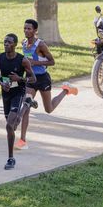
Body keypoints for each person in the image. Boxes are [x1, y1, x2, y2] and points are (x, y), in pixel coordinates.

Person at [14, 19, 78, 150]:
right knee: (26, 105)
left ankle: (66, 90)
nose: (26, 31)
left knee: (49, 109)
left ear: (35, 30)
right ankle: (22, 140)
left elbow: (52, 62)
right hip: (30, 79)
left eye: (29, 29)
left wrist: (35, 63)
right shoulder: (24, 43)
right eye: (25, 28)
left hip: (42, 78)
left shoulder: (40, 45)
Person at [0, 33, 36, 170]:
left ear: (15, 44)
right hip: (6, 93)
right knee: (13, 124)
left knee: (8, 126)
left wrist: (20, 79)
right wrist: (1, 83)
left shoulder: (22, 61)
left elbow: (33, 79)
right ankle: (27, 105)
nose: (6, 44)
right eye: (5, 41)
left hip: (18, 92)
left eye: (9, 42)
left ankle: (11, 158)